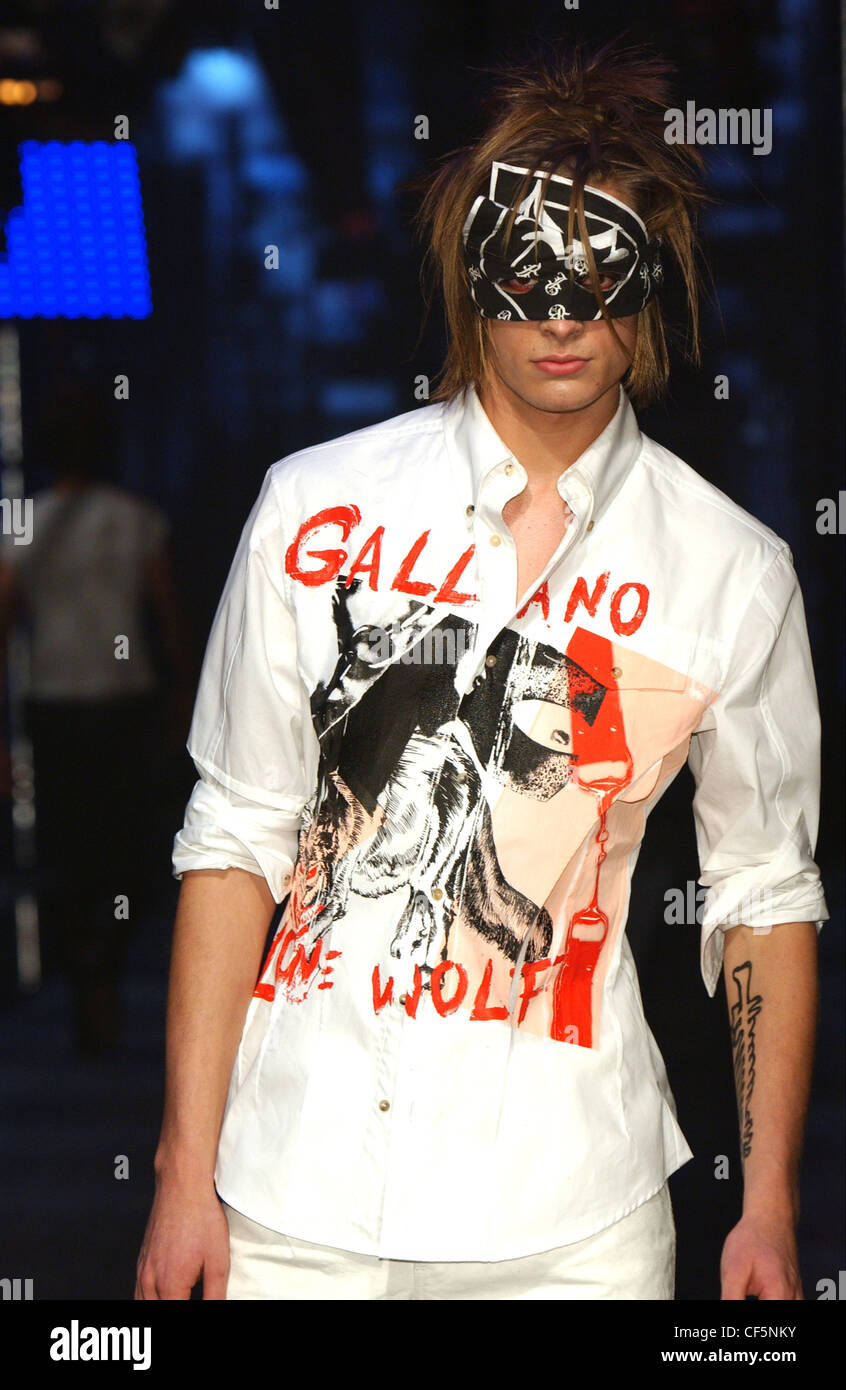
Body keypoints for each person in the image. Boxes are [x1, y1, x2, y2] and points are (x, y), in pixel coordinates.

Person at [136, 41, 828, 1300]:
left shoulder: (733, 569)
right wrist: (184, 1171)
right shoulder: (313, 506)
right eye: (526, 270)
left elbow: (762, 894)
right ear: (469, 281)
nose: (564, 313)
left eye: (604, 271)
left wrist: (768, 1205)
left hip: (574, 1222)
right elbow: (234, 836)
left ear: (655, 290)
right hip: (293, 1195)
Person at [0, 393, 193, 1053]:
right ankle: (98, 969)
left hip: (58, 705)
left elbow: (3, 627)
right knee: (121, 852)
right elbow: (169, 626)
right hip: (121, 702)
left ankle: (87, 975)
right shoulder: (135, 519)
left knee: (69, 851)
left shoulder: (26, 523)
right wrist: (181, 705)